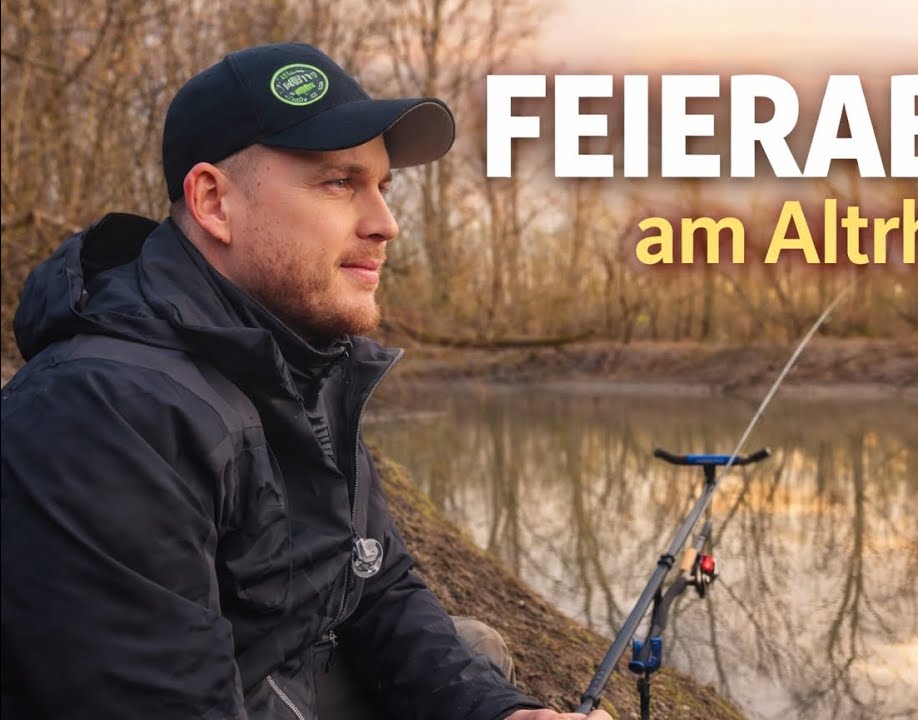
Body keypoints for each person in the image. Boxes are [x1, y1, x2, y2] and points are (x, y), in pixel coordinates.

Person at [0, 42, 611, 720]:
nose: (386, 224)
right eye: (339, 182)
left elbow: (376, 584)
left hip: (279, 685)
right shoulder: (101, 413)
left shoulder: (306, 360)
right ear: (213, 202)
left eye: (383, 186)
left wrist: (499, 713)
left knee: (474, 653)